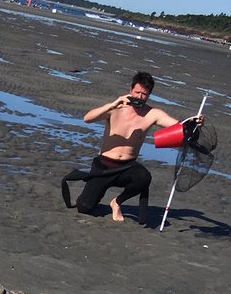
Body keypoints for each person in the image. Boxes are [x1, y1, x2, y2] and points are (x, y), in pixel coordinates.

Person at [61, 72, 194, 225]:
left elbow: (178, 126)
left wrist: (194, 122)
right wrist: (112, 104)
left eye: (144, 94)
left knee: (144, 177)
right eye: (137, 92)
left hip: (127, 167)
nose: (140, 97)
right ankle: (93, 193)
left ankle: (117, 202)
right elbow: (87, 118)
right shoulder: (115, 108)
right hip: (104, 166)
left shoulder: (152, 114)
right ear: (130, 90)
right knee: (84, 207)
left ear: (149, 94)